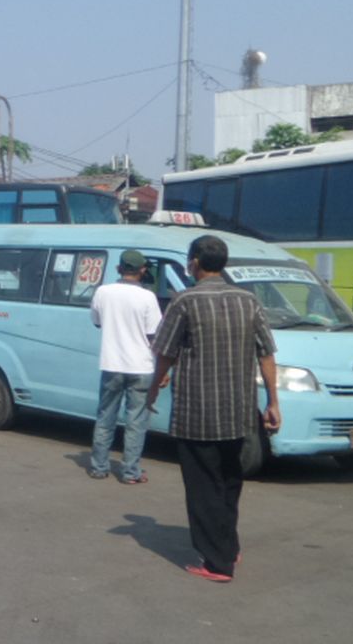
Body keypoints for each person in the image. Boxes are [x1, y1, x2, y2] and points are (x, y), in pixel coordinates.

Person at [146, 234, 280, 583]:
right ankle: (228, 545)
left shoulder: (184, 302)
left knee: (203, 485)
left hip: (198, 412)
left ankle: (217, 563)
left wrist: (154, 386)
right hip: (239, 410)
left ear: (194, 263)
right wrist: (273, 402)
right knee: (229, 481)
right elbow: (266, 353)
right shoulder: (249, 301)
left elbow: (165, 352)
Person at [87, 250, 163, 484]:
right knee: (136, 422)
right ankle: (130, 472)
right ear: (142, 270)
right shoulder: (147, 297)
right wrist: (163, 369)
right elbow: (154, 336)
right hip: (141, 366)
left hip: (111, 363)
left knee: (105, 416)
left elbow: (97, 322)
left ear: (119, 269)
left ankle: (99, 467)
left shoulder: (103, 292)